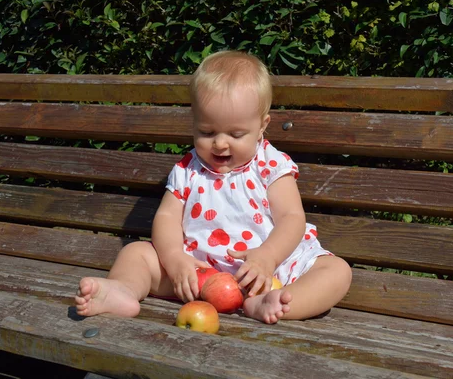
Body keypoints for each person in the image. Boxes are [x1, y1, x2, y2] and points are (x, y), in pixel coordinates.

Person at [75, 50, 352, 324]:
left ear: (261, 127)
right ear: (194, 123)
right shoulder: (188, 170)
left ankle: (273, 302)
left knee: (336, 271)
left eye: (235, 134)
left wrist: (267, 257)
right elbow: (167, 217)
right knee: (135, 254)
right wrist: (174, 260)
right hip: (198, 275)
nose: (220, 143)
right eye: (207, 132)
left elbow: (292, 218)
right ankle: (123, 290)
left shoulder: (270, 165)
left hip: (268, 273)